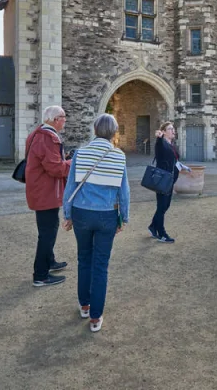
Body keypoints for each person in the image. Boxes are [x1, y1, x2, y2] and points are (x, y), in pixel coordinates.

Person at [63, 114, 130, 333]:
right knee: (101, 265)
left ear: (95, 128)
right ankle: (95, 316)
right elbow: (124, 192)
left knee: (84, 258)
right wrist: (124, 218)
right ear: (114, 132)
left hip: (82, 212)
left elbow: (70, 187)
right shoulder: (119, 156)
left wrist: (67, 214)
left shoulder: (81, 153)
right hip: (106, 215)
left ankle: (85, 304)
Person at [25, 105, 71, 287]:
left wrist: (63, 158)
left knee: (48, 230)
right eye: (63, 117)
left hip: (40, 190)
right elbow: (56, 169)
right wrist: (71, 162)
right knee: (47, 233)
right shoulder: (48, 138)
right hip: (46, 192)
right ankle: (40, 275)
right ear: (55, 120)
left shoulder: (38, 133)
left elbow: (48, 161)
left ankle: (49, 261)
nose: (65, 120)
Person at [148, 121, 190, 243]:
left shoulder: (172, 145)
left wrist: (183, 166)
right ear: (164, 132)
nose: (173, 131)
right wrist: (159, 136)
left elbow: (174, 161)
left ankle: (152, 226)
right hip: (162, 180)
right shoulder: (161, 144)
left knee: (165, 206)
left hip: (170, 180)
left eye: (173, 129)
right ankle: (162, 234)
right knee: (162, 206)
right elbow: (158, 140)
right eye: (170, 129)